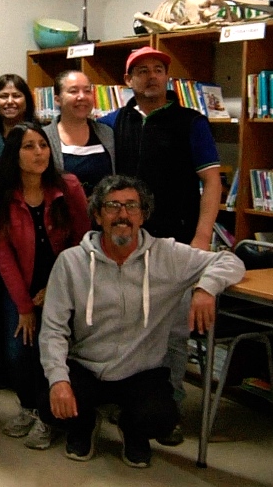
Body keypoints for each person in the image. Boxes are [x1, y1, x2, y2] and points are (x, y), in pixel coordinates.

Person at [39, 175, 244, 467]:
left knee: (162, 418)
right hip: (86, 365)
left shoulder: (167, 255)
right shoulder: (71, 262)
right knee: (49, 402)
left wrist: (205, 288)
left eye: (131, 206)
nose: (123, 215)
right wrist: (59, 381)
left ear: (143, 215)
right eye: (112, 206)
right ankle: (84, 426)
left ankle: (132, 430)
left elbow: (230, 262)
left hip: (142, 371)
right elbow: (53, 330)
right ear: (97, 215)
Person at [98, 47, 222, 445]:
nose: (151, 76)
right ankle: (124, 401)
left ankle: (167, 411)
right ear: (128, 80)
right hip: (122, 246)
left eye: (158, 70)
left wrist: (202, 238)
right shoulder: (110, 124)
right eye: (142, 71)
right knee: (124, 325)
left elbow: (212, 182)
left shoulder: (191, 122)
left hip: (177, 245)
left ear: (167, 78)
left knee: (171, 335)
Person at [0, 122, 90, 450]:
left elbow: (83, 241)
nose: (39, 153)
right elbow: (1, 251)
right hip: (21, 286)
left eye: (43, 145)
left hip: (64, 283)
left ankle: (50, 418)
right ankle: (30, 408)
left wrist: (55, 288)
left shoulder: (68, 186)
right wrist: (25, 306)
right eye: (29, 147)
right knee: (19, 352)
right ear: (13, 155)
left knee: (53, 353)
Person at [42, 70, 114, 196]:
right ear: (57, 99)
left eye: (87, 91)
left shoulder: (107, 133)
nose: (82, 97)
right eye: (73, 91)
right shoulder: (43, 138)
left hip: (103, 212)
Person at [0, 73, 36, 157]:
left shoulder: (39, 136)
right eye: (4, 96)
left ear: (27, 100)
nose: (10, 101)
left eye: (16, 96)